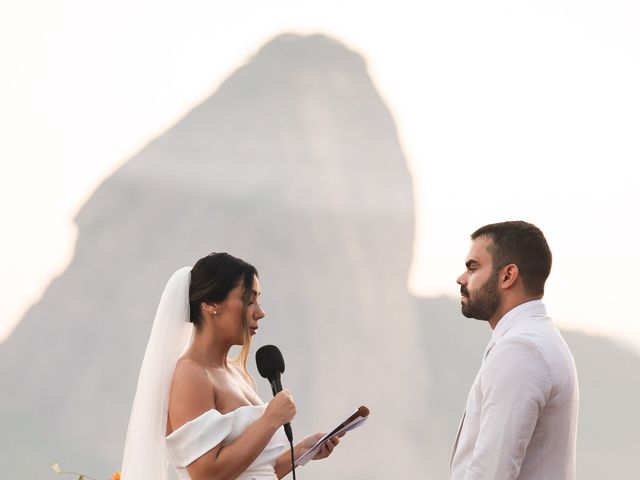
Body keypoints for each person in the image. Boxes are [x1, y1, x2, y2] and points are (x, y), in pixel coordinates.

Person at [121, 252, 341, 480]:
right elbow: (206, 474)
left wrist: (303, 451)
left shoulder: (237, 374)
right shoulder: (191, 374)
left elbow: (252, 473)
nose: (260, 312)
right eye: (249, 300)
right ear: (211, 303)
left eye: (258, 300)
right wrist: (270, 420)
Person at [450, 221, 578, 480]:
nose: (461, 278)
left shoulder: (522, 350)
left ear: (508, 276)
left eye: (473, 267)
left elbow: (491, 472)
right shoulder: (536, 339)